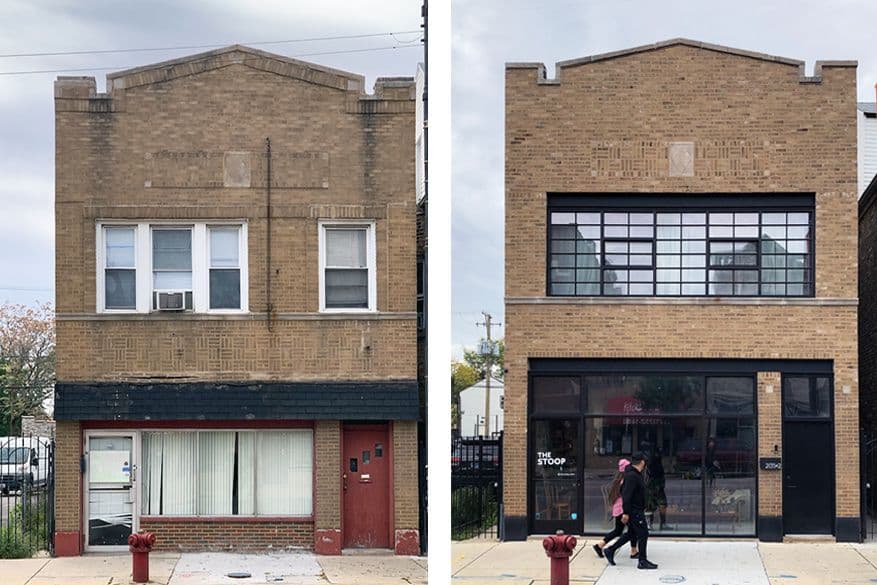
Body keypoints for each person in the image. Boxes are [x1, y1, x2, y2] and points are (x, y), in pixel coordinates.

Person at [603, 452, 658, 570]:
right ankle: (642, 561)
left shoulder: (634, 474)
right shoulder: (632, 476)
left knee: (632, 533)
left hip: (635, 509)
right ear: (642, 462)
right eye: (645, 461)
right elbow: (626, 495)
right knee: (643, 533)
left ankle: (610, 550)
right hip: (634, 510)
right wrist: (626, 512)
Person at [592, 458, 638, 560]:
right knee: (632, 530)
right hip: (623, 509)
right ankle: (633, 551)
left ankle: (599, 545)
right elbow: (627, 496)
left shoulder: (618, 479)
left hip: (617, 509)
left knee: (619, 530)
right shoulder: (625, 480)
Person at [646, 447, 668, 530]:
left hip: (656, 487)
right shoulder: (653, 464)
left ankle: (656, 523)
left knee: (660, 505)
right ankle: (651, 523)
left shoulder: (653, 464)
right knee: (651, 506)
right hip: (653, 487)